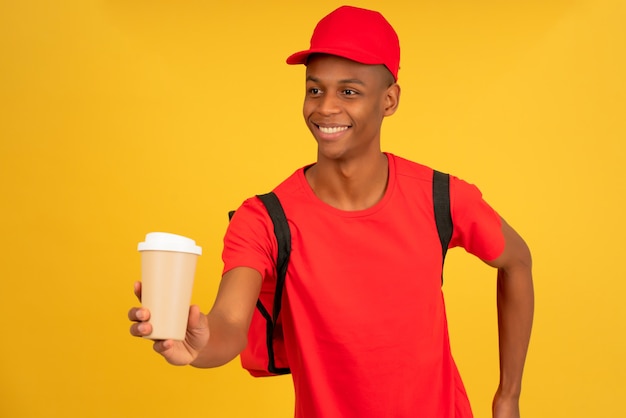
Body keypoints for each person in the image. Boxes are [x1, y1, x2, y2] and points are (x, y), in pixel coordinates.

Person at [128, 5, 534, 418]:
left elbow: (517, 261)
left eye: (349, 91)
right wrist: (196, 345)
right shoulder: (266, 220)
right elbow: (229, 325)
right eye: (315, 89)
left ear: (389, 100)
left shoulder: (439, 198)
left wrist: (508, 396)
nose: (325, 108)